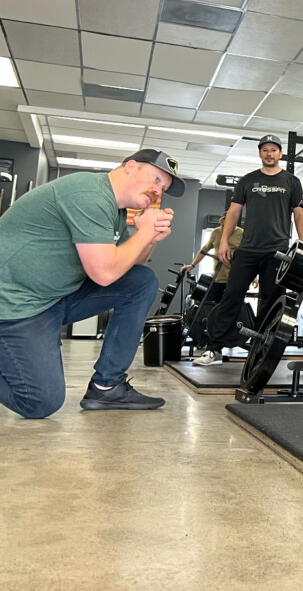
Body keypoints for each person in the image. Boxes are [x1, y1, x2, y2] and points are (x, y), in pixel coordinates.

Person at [0, 149, 184, 418]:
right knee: (40, 403)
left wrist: (150, 237)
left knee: (141, 282)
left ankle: (106, 386)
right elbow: (105, 274)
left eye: (164, 188)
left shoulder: (115, 210)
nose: (158, 192)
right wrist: (143, 232)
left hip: (53, 299)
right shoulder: (89, 195)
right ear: (131, 166)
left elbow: (129, 267)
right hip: (15, 305)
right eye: (156, 179)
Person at [194, 134, 303, 365]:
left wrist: (302, 243)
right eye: (265, 149)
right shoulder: (247, 180)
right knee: (231, 295)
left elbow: (298, 212)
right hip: (247, 249)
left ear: (280, 154)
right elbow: (234, 212)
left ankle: (263, 349)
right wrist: (223, 240)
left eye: (273, 150)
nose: (269, 153)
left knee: (272, 299)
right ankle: (214, 348)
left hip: (277, 249)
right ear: (260, 153)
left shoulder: (291, 182)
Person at [180, 213, 244, 344]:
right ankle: (209, 339)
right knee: (209, 309)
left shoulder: (242, 233)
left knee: (230, 309)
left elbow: (247, 256)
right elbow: (205, 249)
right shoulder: (216, 232)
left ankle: (227, 338)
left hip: (234, 279)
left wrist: (252, 276)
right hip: (218, 278)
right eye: (222, 224)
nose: (224, 227)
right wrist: (192, 265)